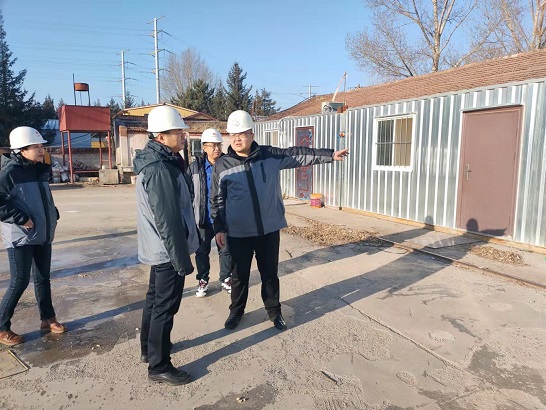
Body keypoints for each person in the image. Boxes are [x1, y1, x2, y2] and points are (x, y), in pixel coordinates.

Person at [211, 110, 349, 331]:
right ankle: (236, 312)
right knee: (238, 277)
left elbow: (298, 154)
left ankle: (274, 312)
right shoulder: (223, 165)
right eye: (233, 134)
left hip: (268, 229)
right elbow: (217, 199)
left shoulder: (270, 156)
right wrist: (219, 227)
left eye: (242, 134)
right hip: (238, 232)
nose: (237, 139)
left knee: (269, 275)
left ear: (252, 134)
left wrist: (330, 155)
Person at [134, 105, 199, 386]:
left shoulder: (162, 161)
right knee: (165, 305)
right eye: (178, 131)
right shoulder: (160, 169)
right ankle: (159, 365)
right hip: (167, 250)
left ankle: (149, 350)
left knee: (154, 299)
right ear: (161, 137)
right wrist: (180, 259)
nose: (183, 135)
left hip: (160, 248)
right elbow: (168, 220)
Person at [0, 126, 65, 347]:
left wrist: (52, 213)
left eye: (41, 146)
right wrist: (20, 217)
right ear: (21, 150)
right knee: (19, 281)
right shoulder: (9, 172)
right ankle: (2, 327)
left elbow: (41, 197)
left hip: (42, 233)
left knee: (43, 278)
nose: (40, 150)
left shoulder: (39, 169)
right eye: (35, 147)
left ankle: (48, 318)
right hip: (20, 236)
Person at [188, 128, 233, 298]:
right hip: (203, 218)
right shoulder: (195, 167)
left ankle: (226, 278)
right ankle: (203, 280)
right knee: (201, 252)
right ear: (204, 147)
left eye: (219, 145)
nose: (217, 149)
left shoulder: (228, 164)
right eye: (213, 145)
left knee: (226, 250)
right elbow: (188, 192)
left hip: (223, 218)